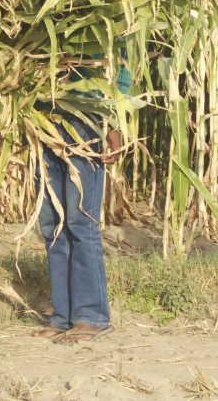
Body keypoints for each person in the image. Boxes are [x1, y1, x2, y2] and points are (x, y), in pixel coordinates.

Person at [33, 56, 129, 343]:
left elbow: (120, 70)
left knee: (79, 219)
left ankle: (91, 317)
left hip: (86, 119)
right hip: (43, 119)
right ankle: (63, 317)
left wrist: (113, 126)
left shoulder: (106, 16)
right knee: (52, 223)